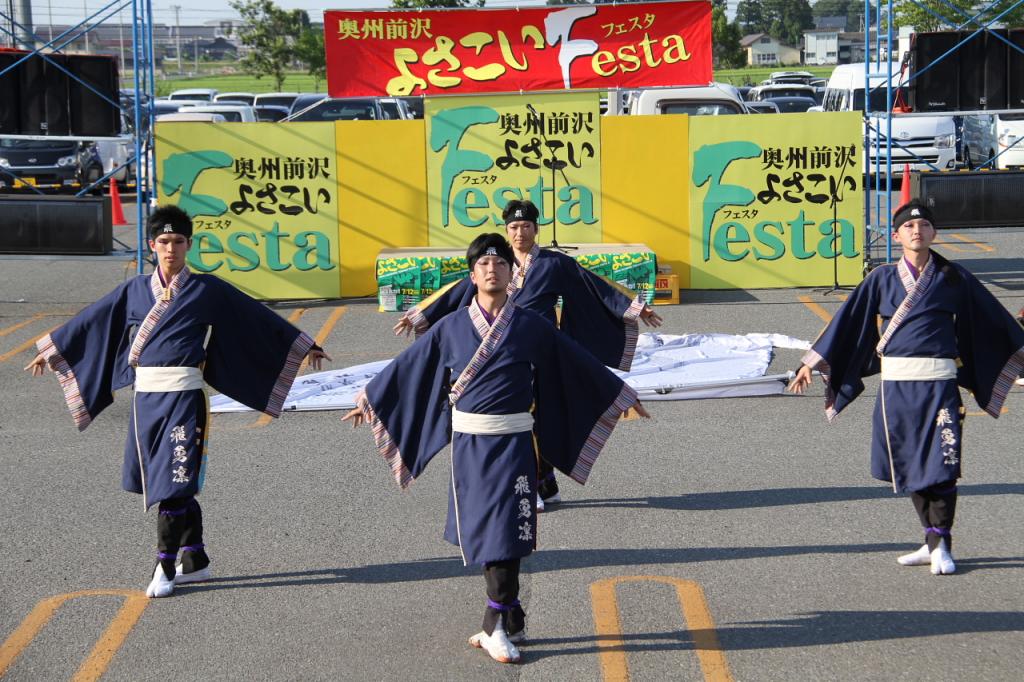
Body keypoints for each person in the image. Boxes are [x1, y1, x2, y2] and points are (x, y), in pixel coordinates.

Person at [344, 233, 649, 664]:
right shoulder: (449, 328)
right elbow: (409, 369)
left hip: (516, 442)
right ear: (473, 275)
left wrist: (617, 393)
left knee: (510, 530)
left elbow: (573, 361)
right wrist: (371, 398)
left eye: (500, 264)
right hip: (470, 444)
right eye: (484, 265)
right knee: (489, 532)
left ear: (512, 274)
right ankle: (508, 615)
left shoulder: (531, 327)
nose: (492, 269)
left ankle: (497, 623)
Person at [25, 205, 330, 598]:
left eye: (179, 241)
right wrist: (53, 351)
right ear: (152, 245)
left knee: (173, 480)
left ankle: (164, 566)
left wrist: (304, 345)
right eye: (164, 242)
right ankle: (195, 559)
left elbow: (255, 317)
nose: (171, 249)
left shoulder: (207, 290)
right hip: (146, 399)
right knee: (170, 482)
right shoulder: (134, 290)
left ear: (190, 245)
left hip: (185, 395)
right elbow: (93, 321)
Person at [788, 200, 1024, 576]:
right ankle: (930, 539)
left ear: (934, 234)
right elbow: (847, 323)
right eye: (909, 227)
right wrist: (810, 363)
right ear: (896, 236)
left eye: (925, 226)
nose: (917, 231)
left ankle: (942, 542)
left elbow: (991, 319)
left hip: (939, 385)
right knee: (909, 464)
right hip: (897, 384)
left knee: (943, 465)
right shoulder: (880, 278)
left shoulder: (953, 277)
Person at [394, 199, 662, 510]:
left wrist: (632, 306)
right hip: (503, 355)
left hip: (541, 350)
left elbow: (592, 285)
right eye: (513, 227)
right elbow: (459, 290)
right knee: (523, 418)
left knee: (540, 417)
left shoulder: (554, 264)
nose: (519, 232)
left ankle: (538, 482)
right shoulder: (497, 265)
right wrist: (421, 314)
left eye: (525, 226)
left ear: (536, 229)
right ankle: (539, 483)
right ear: (506, 231)